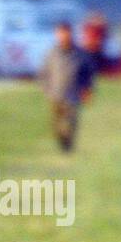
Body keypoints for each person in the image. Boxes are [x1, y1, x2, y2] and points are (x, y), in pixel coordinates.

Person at [40, 23, 95, 153]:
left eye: (67, 33)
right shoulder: (52, 53)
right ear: (57, 35)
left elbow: (89, 72)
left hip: (73, 93)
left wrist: (87, 89)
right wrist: (46, 89)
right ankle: (62, 142)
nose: (64, 36)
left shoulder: (81, 53)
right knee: (57, 123)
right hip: (56, 94)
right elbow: (44, 73)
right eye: (61, 33)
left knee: (71, 121)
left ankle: (68, 146)